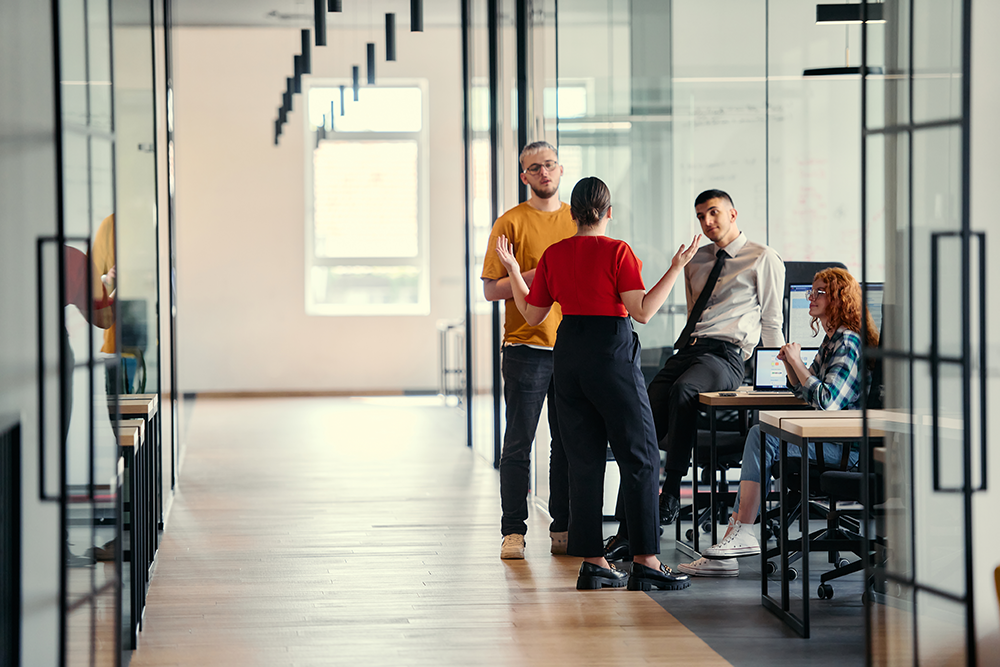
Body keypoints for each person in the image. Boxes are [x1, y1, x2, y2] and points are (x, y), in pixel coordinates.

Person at [496, 176, 699, 591]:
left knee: (582, 460)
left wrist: (515, 272)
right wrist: (676, 268)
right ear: (609, 212)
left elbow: (532, 315)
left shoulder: (554, 254)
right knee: (641, 455)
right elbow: (642, 311)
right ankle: (646, 560)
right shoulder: (617, 251)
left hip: (568, 352)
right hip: (611, 353)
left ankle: (593, 562)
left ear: (572, 214)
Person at [604, 189, 785, 561]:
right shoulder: (696, 260)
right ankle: (627, 531)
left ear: (733, 214)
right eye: (701, 216)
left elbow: (771, 322)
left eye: (714, 212)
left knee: (685, 390)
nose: (707, 221)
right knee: (639, 422)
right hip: (690, 351)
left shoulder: (762, 257)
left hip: (727, 356)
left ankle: (671, 491)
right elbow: (693, 317)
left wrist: (776, 377)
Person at [680, 267, 879, 576]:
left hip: (845, 449)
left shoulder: (848, 343)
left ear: (839, 299)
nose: (811, 297)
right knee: (762, 434)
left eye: (820, 292)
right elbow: (805, 392)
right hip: (828, 441)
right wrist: (790, 366)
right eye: (812, 291)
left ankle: (738, 537)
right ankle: (734, 541)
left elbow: (827, 402)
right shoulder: (831, 341)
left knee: (762, 436)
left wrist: (798, 362)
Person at [481, 141, 576, 559]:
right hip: (525, 347)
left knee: (566, 444)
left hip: (573, 346)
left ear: (561, 169)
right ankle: (513, 532)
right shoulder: (510, 222)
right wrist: (539, 272)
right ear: (524, 176)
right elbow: (490, 290)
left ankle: (564, 527)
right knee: (518, 444)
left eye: (549, 165)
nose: (544, 173)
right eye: (534, 168)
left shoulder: (578, 218)